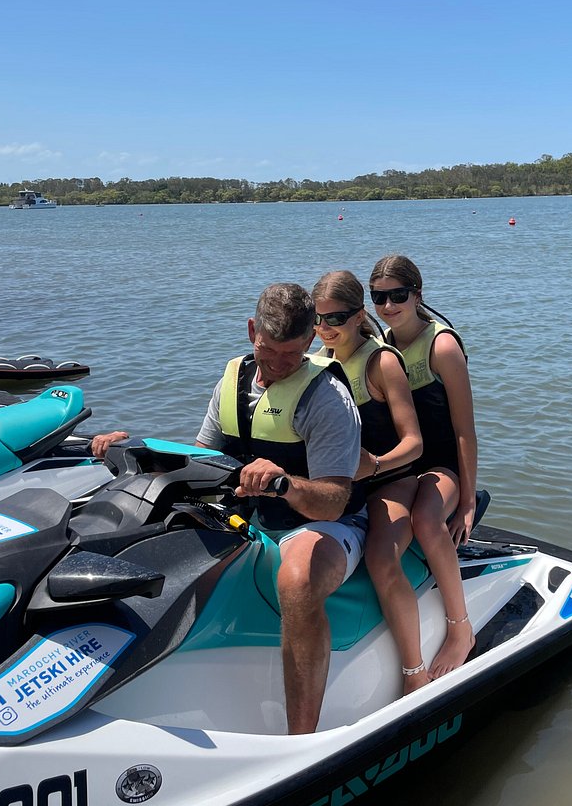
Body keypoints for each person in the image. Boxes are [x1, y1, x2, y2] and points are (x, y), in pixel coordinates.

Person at [92, 283, 364, 734]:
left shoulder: (328, 399)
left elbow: (335, 501)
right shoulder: (232, 381)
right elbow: (202, 462)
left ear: (312, 341)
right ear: (252, 330)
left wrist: (284, 484)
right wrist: (132, 447)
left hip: (325, 524)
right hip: (248, 515)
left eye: (291, 354)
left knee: (296, 580)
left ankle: (301, 737)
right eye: (268, 350)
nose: (277, 364)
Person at [311, 270, 429, 693]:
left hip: (391, 479)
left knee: (381, 558)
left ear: (360, 316)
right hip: (342, 483)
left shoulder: (381, 362)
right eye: (316, 319)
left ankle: (414, 672)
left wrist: (375, 465)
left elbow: (415, 443)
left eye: (335, 319)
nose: (325, 329)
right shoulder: (318, 363)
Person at [368, 253, 478, 679]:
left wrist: (467, 501)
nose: (389, 305)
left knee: (427, 520)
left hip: (442, 465)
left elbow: (465, 430)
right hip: (402, 467)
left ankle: (460, 628)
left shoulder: (442, 345)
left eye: (398, 295)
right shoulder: (382, 347)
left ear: (418, 295)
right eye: (379, 297)